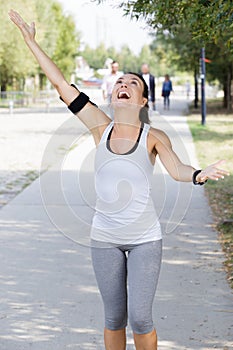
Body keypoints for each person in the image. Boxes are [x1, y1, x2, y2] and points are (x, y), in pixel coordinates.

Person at [9, 10, 229, 350]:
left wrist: (199, 174)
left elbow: (177, 169)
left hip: (145, 239)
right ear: (114, 93)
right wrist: (30, 41)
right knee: (114, 318)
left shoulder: (153, 136)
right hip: (105, 239)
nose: (124, 85)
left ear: (143, 101)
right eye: (120, 82)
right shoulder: (100, 126)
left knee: (141, 318)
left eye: (133, 83)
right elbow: (61, 84)